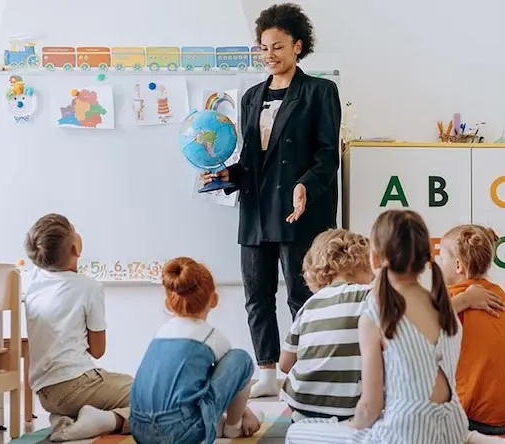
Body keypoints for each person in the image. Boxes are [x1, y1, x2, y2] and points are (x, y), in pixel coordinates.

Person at [284, 209, 505, 444]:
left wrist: (353, 428)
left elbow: (370, 406)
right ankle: (479, 440)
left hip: (406, 431)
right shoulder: (444, 306)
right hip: (455, 421)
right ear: (426, 259)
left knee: (296, 432)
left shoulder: (376, 311)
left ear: (374, 258)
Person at [202, 3, 342, 398]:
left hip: (300, 212)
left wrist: (306, 185)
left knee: (303, 295)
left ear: (298, 46)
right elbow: (250, 161)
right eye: (263, 48)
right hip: (256, 212)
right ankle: (267, 372)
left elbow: (327, 154)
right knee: (257, 294)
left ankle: (307, 371)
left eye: (277, 47)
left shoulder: (319, 92)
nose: (269, 55)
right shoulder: (250, 97)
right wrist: (226, 175)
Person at [129, 257, 264, 444]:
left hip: (139, 429)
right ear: (214, 300)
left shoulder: (161, 333)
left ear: (168, 304)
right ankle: (234, 427)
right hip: (179, 432)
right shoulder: (213, 338)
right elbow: (231, 381)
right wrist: (244, 412)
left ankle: (220, 423)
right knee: (241, 359)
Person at [22, 213, 131, 442]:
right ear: (75, 248)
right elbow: (98, 350)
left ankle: (65, 419)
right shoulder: (89, 287)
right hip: (76, 385)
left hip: (45, 393)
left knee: (119, 383)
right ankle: (105, 420)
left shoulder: (30, 280)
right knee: (148, 395)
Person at [438, 224, 505, 435]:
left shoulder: (448, 297)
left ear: (458, 266)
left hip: (470, 413)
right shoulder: (499, 293)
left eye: (441, 258)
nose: (438, 263)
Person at [279, 229, 374, 422]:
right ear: (364, 264)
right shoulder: (369, 295)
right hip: (350, 410)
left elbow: (285, 364)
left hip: (302, 407)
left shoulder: (308, 306)